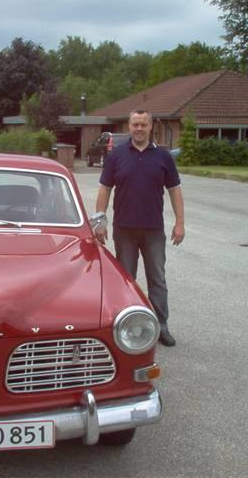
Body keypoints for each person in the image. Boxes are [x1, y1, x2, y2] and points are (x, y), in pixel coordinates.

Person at [91, 109, 185, 346]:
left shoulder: (163, 157)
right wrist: (99, 221)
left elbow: (175, 191)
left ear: (151, 126)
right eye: (135, 125)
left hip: (153, 229)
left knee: (157, 280)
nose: (139, 129)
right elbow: (105, 189)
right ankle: (123, 326)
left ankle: (161, 325)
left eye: (143, 125)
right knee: (125, 280)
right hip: (125, 230)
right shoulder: (117, 156)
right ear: (129, 127)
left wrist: (180, 223)